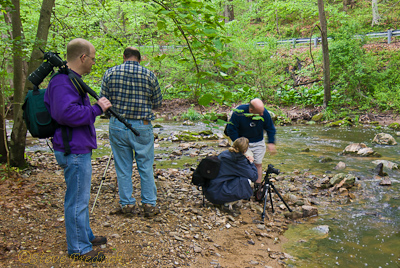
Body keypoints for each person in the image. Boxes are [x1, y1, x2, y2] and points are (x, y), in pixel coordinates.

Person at [44, 38, 112, 262]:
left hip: (77, 147)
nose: (93, 63)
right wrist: (96, 109)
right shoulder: (63, 82)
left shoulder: (71, 80)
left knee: (80, 196)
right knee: (77, 200)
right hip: (73, 150)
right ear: (83, 57)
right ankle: (79, 248)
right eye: (92, 59)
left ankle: (85, 236)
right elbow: (66, 114)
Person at [100, 47, 162, 218]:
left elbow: (103, 101)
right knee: (145, 166)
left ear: (124, 57)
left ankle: (127, 204)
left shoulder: (110, 73)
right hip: (142, 125)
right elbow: (157, 102)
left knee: (123, 167)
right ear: (139, 59)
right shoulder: (149, 75)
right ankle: (149, 204)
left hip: (118, 125)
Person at [225, 98, 277, 185]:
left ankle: (257, 186)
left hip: (258, 142)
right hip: (241, 142)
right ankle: (238, 185)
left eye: (262, 111)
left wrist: (271, 142)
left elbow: (270, 128)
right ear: (251, 110)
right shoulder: (239, 112)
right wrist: (240, 144)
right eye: (259, 113)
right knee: (239, 164)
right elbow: (231, 130)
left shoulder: (264, 113)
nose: (262, 114)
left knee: (258, 164)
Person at [204, 137, 258, 205]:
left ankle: (227, 199)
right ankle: (228, 202)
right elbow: (254, 176)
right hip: (217, 196)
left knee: (235, 175)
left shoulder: (224, 154)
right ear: (245, 150)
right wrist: (251, 162)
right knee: (246, 180)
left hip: (209, 191)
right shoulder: (239, 160)